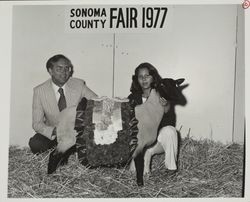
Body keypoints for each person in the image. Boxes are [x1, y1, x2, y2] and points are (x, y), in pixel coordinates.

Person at [29, 54, 97, 154]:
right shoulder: (39, 91)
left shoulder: (78, 84)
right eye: (59, 69)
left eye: (67, 68)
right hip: (54, 134)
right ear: (50, 71)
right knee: (36, 144)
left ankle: (71, 150)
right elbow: (36, 124)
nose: (64, 73)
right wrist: (56, 131)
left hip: (77, 134)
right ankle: (64, 150)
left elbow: (97, 102)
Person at [128, 62, 178, 175]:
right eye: (140, 77)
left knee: (170, 131)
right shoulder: (132, 98)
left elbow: (170, 122)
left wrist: (166, 107)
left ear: (153, 77)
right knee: (135, 174)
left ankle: (171, 169)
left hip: (157, 141)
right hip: (140, 143)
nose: (144, 79)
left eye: (147, 76)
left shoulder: (162, 95)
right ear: (136, 79)